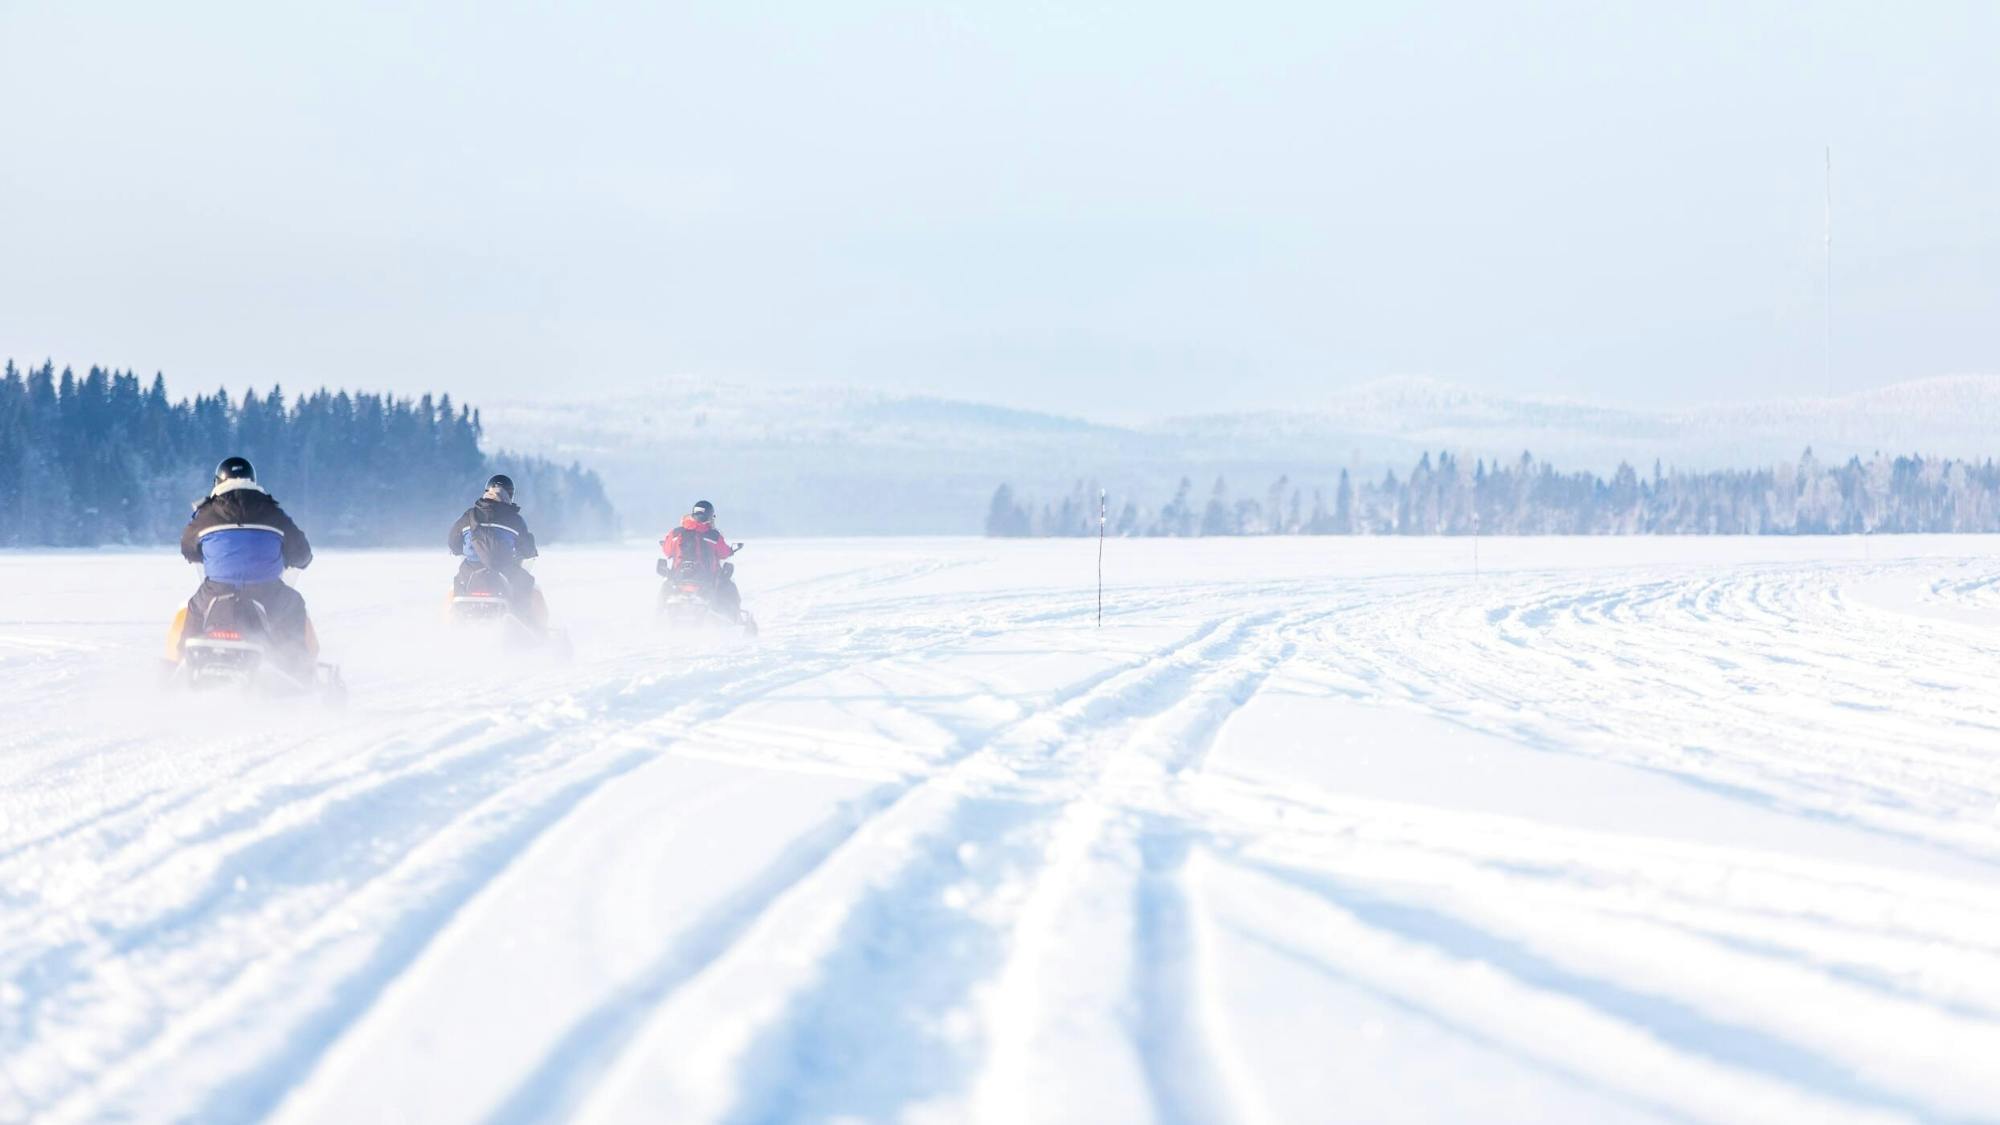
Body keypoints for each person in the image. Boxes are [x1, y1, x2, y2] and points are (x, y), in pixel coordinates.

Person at [170, 456, 317, 670]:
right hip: (266, 591)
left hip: (217, 590)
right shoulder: (273, 512)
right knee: (294, 603)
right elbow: (302, 553)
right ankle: (297, 668)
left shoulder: (205, 514)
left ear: (217, 482)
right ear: (252, 480)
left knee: (193, 609)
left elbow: (187, 548)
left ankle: (180, 665)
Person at [448, 473, 546, 627]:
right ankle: (530, 626)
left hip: (470, 570)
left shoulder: (469, 515)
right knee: (527, 586)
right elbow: (528, 550)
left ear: (486, 491)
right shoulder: (515, 520)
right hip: (504, 569)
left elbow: (453, 542)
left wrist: (463, 549)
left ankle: (450, 624)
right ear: (510, 495)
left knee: (456, 591)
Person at [661, 499, 741, 617]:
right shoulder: (713, 536)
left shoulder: (675, 534)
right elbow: (724, 553)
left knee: (665, 587)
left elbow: (667, 551)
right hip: (707, 579)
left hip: (679, 578)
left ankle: (658, 616)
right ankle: (734, 617)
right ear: (710, 516)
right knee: (728, 586)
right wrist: (731, 550)